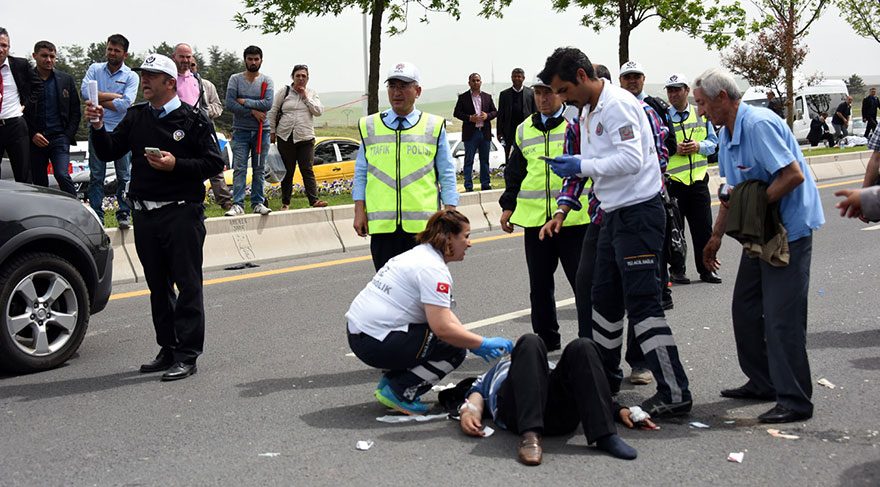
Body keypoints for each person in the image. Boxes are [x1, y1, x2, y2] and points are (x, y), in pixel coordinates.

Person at [539, 48, 693, 418]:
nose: (561, 99)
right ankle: (604, 382)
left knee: (643, 307)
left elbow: (632, 159)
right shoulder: (589, 111)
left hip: (639, 215)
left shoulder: (617, 105)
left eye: (562, 90)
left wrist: (582, 164)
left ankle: (674, 392)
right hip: (611, 215)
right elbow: (605, 164)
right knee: (602, 301)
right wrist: (575, 173)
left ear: (581, 75)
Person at [696, 67, 824, 423]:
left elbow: (793, 175)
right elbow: (730, 194)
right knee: (746, 310)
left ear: (723, 97)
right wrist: (716, 236)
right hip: (760, 234)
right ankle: (763, 381)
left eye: (703, 104)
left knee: (782, 319)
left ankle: (795, 400)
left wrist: (757, 203)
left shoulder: (758, 124)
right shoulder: (726, 134)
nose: (701, 113)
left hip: (788, 233)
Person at [86, 54, 225, 381]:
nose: (144, 81)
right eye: (142, 75)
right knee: (158, 288)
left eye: (151, 76)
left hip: (181, 213)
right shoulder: (136, 118)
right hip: (145, 215)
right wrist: (96, 127)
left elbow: (214, 164)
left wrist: (176, 164)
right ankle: (168, 348)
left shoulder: (194, 120)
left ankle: (188, 355)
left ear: (170, 83)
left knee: (187, 285)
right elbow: (109, 150)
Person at [346, 209, 513, 415]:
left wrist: (473, 340)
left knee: (449, 338)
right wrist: (480, 343)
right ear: (448, 238)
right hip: (375, 342)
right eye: (466, 237)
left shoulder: (419, 255)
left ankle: (391, 384)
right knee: (453, 349)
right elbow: (442, 327)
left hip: (364, 335)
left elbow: (443, 313)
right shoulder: (433, 270)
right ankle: (399, 391)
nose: (469, 243)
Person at [460, 335, 655, 465]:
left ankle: (605, 435)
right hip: (519, 413)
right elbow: (476, 393)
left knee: (582, 346)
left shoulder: (547, 365)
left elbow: (585, 385)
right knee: (530, 340)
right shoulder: (498, 372)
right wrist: (470, 411)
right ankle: (530, 437)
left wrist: (620, 411)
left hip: (558, 413)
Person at [499, 77, 589, 351]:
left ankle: (590, 341)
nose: (543, 99)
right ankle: (547, 340)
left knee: (583, 284)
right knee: (539, 286)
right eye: (538, 93)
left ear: (560, 95)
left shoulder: (576, 126)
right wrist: (508, 205)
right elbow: (515, 171)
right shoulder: (524, 129)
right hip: (536, 220)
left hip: (574, 219)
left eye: (548, 93)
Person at [353, 62, 459, 271]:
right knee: (388, 291)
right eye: (392, 86)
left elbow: (446, 173)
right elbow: (361, 173)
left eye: (403, 86)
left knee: (422, 292)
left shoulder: (433, 126)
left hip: (423, 227)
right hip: (383, 228)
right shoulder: (370, 126)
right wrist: (359, 210)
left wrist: (450, 213)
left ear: (417, 91)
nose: (397, 92)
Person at [663, 73, 720, 285]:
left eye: (677, 89)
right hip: (674, 183)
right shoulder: (663, 116)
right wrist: (674, 149)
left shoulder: (701, 114)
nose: (673, 94)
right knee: (675, 231)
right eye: (670, 90)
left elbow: (713, 143)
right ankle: (677, 270)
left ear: (687, 90)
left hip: (697, 181)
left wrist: (698, 146)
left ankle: (707, 270)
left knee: (703, 229)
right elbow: (659, 146)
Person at [81, 34, 138, 228]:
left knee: (124, 175)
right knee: (96, 175)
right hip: (98, 128)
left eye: (117, 50)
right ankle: (97, 216)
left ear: (125, 54)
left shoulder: (131, 75)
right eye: (110, 49)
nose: (112, 53)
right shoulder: (95, 69)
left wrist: (98, 99)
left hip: (122, 132)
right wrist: (113, 96)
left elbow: (125, 105)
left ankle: (123, 213)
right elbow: (84, 93)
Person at [173, 43, 232, 211]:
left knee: (213, 164)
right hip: (180, 130)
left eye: (190, 60)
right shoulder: (170, 79)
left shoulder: (202, 83)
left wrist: (203, 117)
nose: (187, 63)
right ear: (174, 58)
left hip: (202, 129)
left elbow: (213, 106)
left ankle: (225, 201)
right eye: (182, 58)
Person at [268, 64, 327, 210]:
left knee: (307, 169)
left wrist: (305, 97)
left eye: (304, 76)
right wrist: (272, 132)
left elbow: (318, 111)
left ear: (308, 78)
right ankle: (285, 203)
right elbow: (273, 111)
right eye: (298, 76)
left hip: (305, 137)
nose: (301, 79)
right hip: (285, 136)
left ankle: (314, 200)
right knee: (288, 170)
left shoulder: (312, 93)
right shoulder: (284, 92)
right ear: (292, 77)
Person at [25, 40, 80, 195]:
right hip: (35, 139)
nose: (48, 60)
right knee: (39, 182)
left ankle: (76, 209)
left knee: (62, 174)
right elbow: (20, 111)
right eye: (44, 56)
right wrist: (32, 134)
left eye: (52, 56)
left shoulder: (66, 80)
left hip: (59, 138)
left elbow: (75, 111)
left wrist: (67, 135)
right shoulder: (26, 81)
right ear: (34, 56)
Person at [224, 45, 273, 216]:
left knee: (259, 168)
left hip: (262, 132)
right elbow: (230, 104)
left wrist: (244, 101)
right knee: (240, 168)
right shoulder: (235, 80)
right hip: (241, 131)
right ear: (245, 60)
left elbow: (267, 104)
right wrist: (252, 110)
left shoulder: (267, 81)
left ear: (261, 60)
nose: (253, 62)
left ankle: (258, 202)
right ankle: (238, 204)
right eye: (250, 59)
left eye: (256, 59)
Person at [453, 73, 498, 191]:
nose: (476, 82)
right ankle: (468, 186)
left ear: (481, 82)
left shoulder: (487, 97)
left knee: (485, 160)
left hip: (484, 132)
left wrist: (487, 116)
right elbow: (456, 113)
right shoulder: (463, 98)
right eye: (473, 81)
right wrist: (469, 118)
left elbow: (495, 112)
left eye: (478, 80)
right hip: (470, 134)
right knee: (469, 160)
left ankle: (486, 184)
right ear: (469, 83)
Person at [0, 27, 33, 183]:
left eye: (4, 45)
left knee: (23, 174)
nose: (1, 49)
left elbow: (37, 86)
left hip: (15, 124)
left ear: (9, 47)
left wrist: (25, 104)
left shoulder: (20, 65)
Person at [496, 68, 536, 165]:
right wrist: (499, 133)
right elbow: (500, 115)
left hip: (527, 131)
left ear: (523, 78)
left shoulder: (531, 93)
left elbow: (535, 112)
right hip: (509, 132)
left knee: (527, 157)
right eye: (514, 76)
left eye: (519, 76)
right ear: (511, 78)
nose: (517, 78)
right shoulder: (504, 94)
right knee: (510, 159)